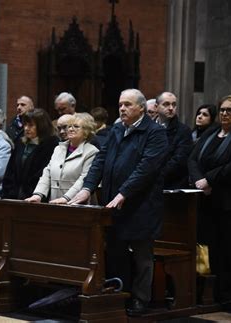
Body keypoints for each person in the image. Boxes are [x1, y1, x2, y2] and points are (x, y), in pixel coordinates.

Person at [69, 89, 168, 316]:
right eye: (120, 104)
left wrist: (123, 193)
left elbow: (146, 169)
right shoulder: (117, 129)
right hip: (114, 203)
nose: (122, 108)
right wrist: (87, 188)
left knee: (142, 254)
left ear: (141, 108)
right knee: (115, 252)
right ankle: (118, 294)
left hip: (141, 204)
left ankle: (141, 299)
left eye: (127, 104)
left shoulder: (155, 133)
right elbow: (100, 161)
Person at [188, 95, 231, 305]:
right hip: (208, 202)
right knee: (212, 248)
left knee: (230, 250)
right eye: (223, 110)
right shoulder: (211, 132)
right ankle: (213, 293)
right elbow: (192, 158)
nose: (225, 114)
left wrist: (209, 179)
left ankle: (229, 295)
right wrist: (199, 179)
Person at [25, 113, 98, 204]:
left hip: (76, 204)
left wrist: (66, 198)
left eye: (76, 126)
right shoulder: (58, 149)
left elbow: (83, 179)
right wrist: (38, 194)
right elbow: (47, 172)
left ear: (86, 131)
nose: (71, 129)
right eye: (69, 126)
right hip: (54, 203)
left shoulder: (91, 151)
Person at [2, 109, 59, 200]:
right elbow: (10, 170)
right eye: (25, 125)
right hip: (14, 195)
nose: (26, 128)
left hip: (36, 196)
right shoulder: (20, 142)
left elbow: (43, 173)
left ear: (42, 126)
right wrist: (9, 192)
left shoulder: (52, 144)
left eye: (31, 125)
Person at [155, 92, 192, 189]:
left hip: (172, 185)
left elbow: (179, 160)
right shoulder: (148, 128)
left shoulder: (184, 130)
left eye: (174, 104)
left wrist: (155, 175)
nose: (171, 108)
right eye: (166, 104)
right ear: (156, 107)